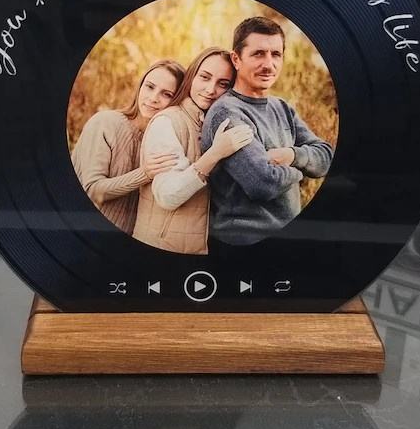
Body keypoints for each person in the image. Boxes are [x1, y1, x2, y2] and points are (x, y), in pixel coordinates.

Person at [201, 17, 334, 246]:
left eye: (276, 54)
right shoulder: (227, 112)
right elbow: (263, 183)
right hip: (244, 242)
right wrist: (301, 172)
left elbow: (326, 157)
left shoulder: (281, 107)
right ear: (236, 59)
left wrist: (292, 155)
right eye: (258, 54)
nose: (268, 64)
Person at [133, 47, 254, 254]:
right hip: (160, 249)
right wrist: (215, 153)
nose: (210, 89)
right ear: (191, 76)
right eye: (205, 77)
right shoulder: (167, 121)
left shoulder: (212, 124)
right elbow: (167, 195)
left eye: (222, 84)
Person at [71, 59, 185, 234]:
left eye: (166, 94)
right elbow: (92, 190)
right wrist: (144, 174)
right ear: (140, 86)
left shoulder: (165, 141)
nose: (153, 98)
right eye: (150, 87)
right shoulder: (105, 123)